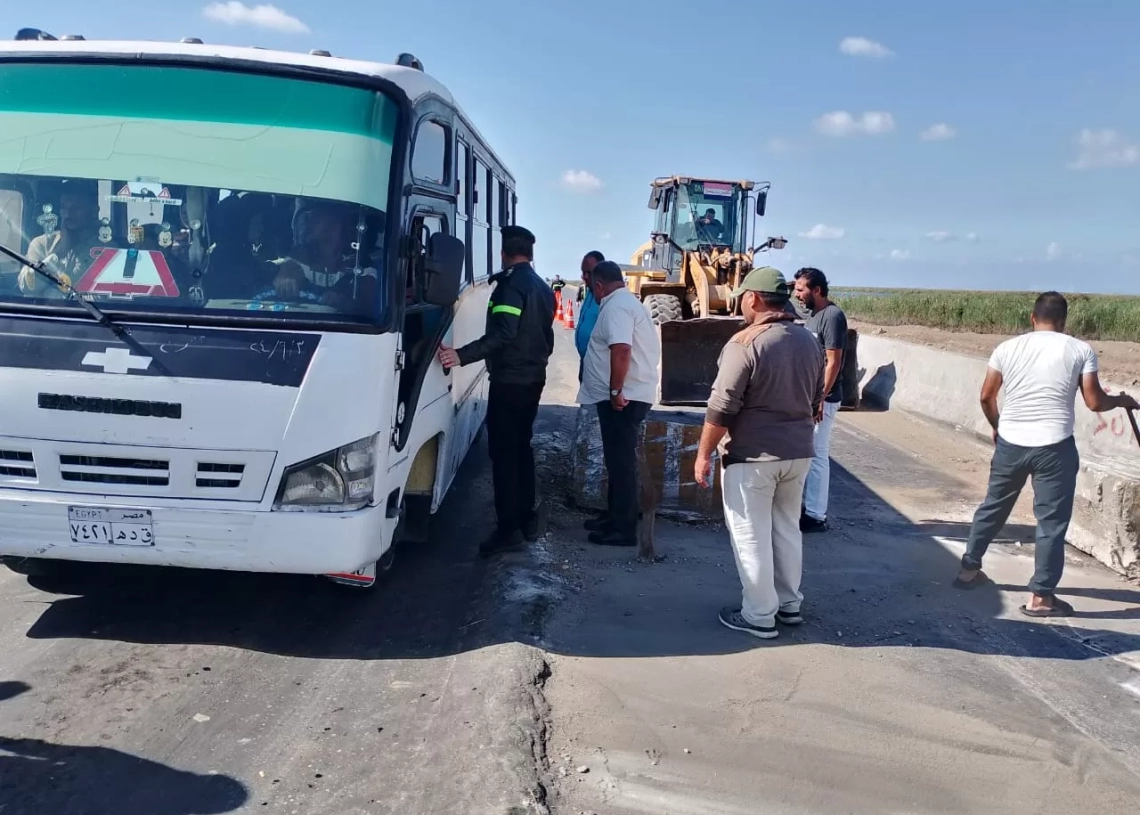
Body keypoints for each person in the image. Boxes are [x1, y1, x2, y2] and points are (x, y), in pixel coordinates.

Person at [954, 291, 1138, 617]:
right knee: (1051, 523)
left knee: (994, 506)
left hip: (1012, 442)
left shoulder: (1007, 348)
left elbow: (986, 396)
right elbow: (1095, 402)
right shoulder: (1080, 349)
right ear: (1065, 321)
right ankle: (1040, 598)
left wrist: (998, 426)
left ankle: (968, 569)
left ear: (1032, 318)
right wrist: (1122, 401)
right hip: (1055, 447)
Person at [695, 267, 825, 640]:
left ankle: (758, 615)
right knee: (786, 529)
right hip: (799, 453)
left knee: (750, 533)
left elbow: (722, 406)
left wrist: (703, 454)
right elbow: (816, 398)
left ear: (753, 298)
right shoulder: (809, 341)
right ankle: (789, 604)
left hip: (752, 458)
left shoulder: (746, 342)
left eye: (742, 297)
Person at [438, 225, 555, 556]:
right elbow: (545, 338)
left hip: (511, 382)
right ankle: (527, 519)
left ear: (504, 253)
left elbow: (504, 334)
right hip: (532, 379)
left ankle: (509, 530)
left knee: (504, 455)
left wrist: (459, 355)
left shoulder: (510, 287)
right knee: (521, 449)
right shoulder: (542, 287)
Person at [578, 260, 661, 547]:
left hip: (624, 398)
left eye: (591, 286)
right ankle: (615, 517)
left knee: (622, 463)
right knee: (616, 461)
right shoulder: (623, 303)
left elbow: (622, 350)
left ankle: (624, 529)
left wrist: (616, 390)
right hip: (625, 396)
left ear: (599, 285)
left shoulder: (616, 307)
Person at [793, 267, 847, 533]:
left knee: (817, 455)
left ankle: (816, 515)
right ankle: (808, 507)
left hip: (823, 399)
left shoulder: (833, 316)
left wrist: (819, 400)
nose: (797, 293)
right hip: (812, 396)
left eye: (801, 289)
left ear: (817, 290)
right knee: (808, 453)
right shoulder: (813, 316)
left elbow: (833, 362)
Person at [18, 178, 103, 298]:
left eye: (76, 208)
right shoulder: (41, 244)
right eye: (64, 207)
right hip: (44, 315)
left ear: (94, 211)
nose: (68, 214)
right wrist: (58, 253)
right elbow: (27, 287)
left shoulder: (105, 249)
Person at [574, 250, 605, 381]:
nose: (584, 276)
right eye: (583, 272)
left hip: (600, 369)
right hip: (586, 363)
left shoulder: (607, 297)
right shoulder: (590, 292)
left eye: (589, 272)